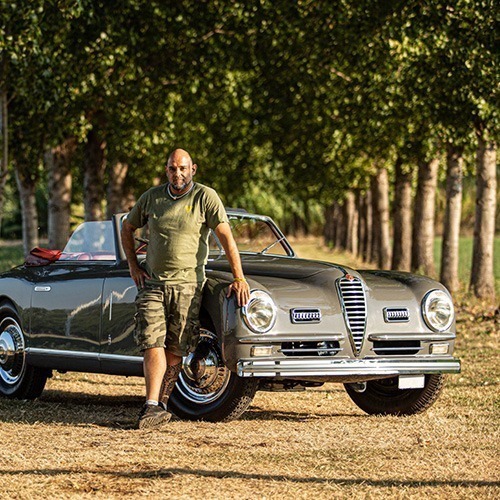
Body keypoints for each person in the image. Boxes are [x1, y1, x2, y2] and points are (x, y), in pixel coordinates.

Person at [121, 148, 249, 429]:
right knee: (152, 340)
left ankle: (162, 405)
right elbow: (127, 227)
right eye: (171, 168)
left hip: (189, 285)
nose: (177, 174)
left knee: (177, 346)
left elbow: (225, 236)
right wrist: (134, 265)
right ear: (166, 170)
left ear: (193, 169)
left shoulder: (205, 197)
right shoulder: (151, 198)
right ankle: (151, 405)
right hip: (153, 283)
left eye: (182, 168)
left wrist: (239, 278)